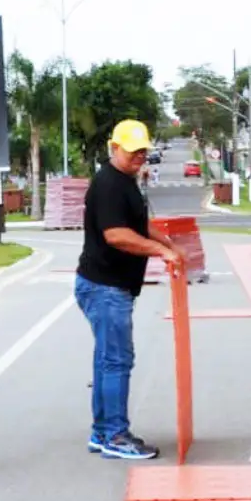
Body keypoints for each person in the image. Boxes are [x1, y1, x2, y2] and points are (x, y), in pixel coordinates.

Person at [74, 119, 182, 461]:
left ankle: (102, 430)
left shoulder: (125, 182)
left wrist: (167, 242)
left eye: (142, 150)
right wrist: (161, 252)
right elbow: (116, 235)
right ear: (114, 148)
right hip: (105, 287)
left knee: (107, 361)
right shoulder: (108, 184)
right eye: (132, 150)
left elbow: (137, 224)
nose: (139, 155)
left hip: (109, 286)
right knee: (117, 360)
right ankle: (115, 435)